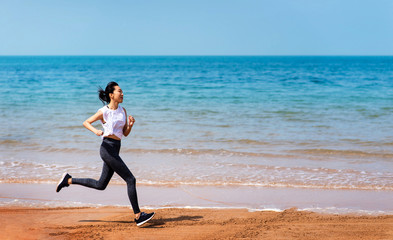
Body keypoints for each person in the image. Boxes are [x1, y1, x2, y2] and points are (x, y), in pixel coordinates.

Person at [56, 81, 155, 227]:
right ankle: (138, 215)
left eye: (122, 91)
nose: (122, 93)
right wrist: (96, 131)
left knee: (100, 185)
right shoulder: (104, 111)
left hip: (116, 148)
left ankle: (68, 180)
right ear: (111, 95)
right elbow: (86, 122)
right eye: (119, 91)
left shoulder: (123, 110)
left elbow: (124, 134)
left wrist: (130, 125)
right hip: (107, 149)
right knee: (131, 179)